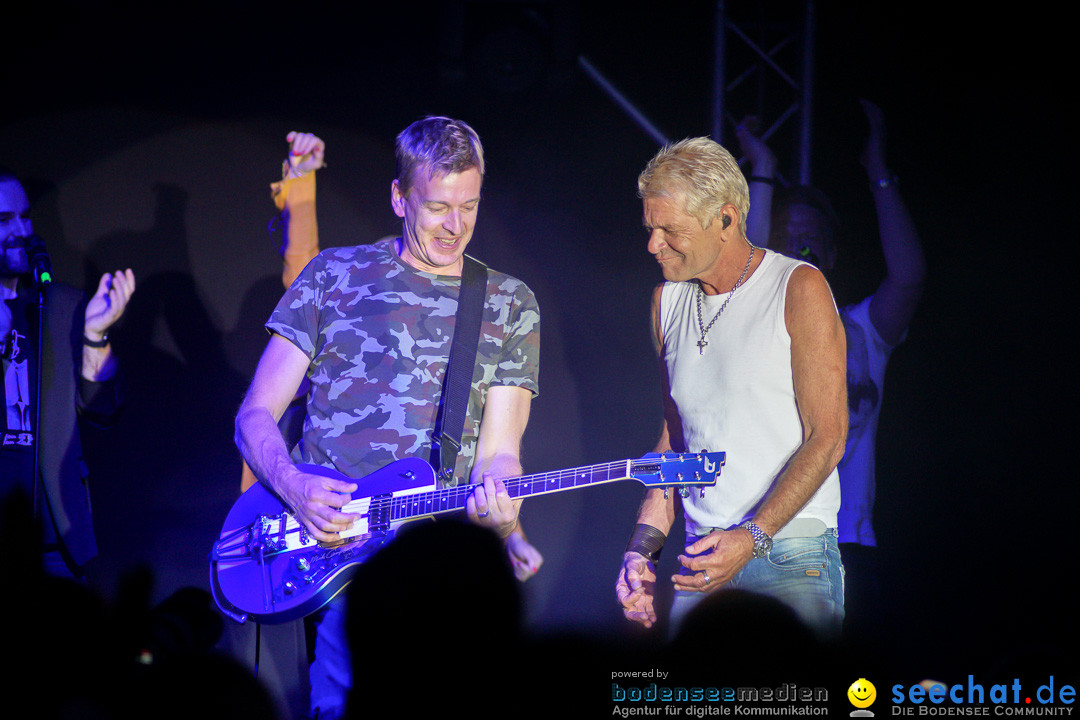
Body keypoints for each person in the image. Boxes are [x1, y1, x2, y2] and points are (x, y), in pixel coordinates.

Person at [234, 116, 541, 720]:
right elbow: (254, 416)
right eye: (437, 207)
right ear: (399, 197)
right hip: (336, 551)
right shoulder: (332, 276)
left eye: (470, 206)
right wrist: (294, 487)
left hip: (442, 561)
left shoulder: (509, 302)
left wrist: (508, 521)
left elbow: (500, 452)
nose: (455, 227)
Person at [614, 137, 848, 640]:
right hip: (703, 559)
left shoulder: (798, 287)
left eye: (669, 230)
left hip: (792, 553)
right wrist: (641, 550)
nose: (653, 245)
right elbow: (675, 441)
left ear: (725, 219)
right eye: (650, 228)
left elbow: (827, 437)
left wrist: (753, 537)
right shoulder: (665, 303)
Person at [736, 99, 925, 635]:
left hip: (844, 543)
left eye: (814, 234)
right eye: (790, 233)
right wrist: (763, 171)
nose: (803, 241)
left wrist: (878, 174)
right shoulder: (753, 319)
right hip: (760, 535)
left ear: (834, 254)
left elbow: (909, 278)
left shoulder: (861, 329)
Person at [0, 166, 136, 580]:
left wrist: (95, 336)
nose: (22, 229)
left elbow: (103, 412)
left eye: (26, 216)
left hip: (52, 540)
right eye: (5, 220)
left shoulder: (60, 306)